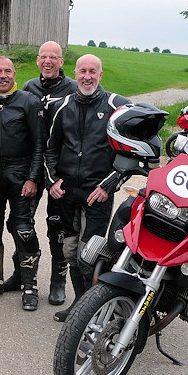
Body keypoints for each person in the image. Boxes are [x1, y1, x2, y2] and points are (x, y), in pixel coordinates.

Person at [44, 53, 130, 321]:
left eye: (93, 72)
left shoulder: (118, 106)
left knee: (90, 255)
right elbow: (50, 149)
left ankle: (95, 308)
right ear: (75, 73)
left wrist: (109, 185)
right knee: (70, 251)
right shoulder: (62, 106)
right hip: (67, 193)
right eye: (82, 71)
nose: (87, 77)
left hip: (97, 194)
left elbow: (129, 154)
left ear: (100, 75)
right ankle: (79, 306)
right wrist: (51, 180)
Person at [0, 56, 45, 310]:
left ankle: (29, 285)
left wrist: (33, 178)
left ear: (15, 74)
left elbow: (40, 144)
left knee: (23, 229)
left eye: (7, 71)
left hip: (20, 172)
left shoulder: (29, 102)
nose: (3, 75)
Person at [12, 41, 79, 307]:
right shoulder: (29, 86)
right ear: (37, 60)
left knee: (57, 226)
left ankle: (58, 282)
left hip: (59, 168)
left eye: (54, 57)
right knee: (20, 223)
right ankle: (22, 273)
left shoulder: (73, 88)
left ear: (62, 62)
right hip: (30, 166)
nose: (48, 61)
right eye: (44, 57)